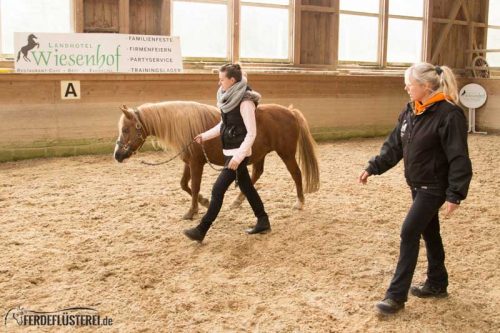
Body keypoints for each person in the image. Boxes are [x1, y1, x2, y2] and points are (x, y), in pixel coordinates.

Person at [358, 62, 473, 315]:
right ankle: (437, 283)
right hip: (417, 184)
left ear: (426, 86)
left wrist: (455, 193)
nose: (406, 88)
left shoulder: (449, 114)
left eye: (410, 84)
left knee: (409, 232)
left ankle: (395, 297)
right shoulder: (411, 110)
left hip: (434, 186)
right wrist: (374, 167)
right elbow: (394, 145)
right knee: (429, 233)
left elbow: (458, 157)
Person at [183, 63, 271, 243]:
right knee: (247, 186)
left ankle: (202, 229)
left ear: (232, 80)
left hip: (239, 154)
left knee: (217, 190)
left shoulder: (245, 102)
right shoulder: (229, 98)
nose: (219, 83)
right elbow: (225, 124)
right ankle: (263, 220)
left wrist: (238, 157)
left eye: (221, 79)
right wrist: (205, 136)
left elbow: (251, 133)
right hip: (231, 151)